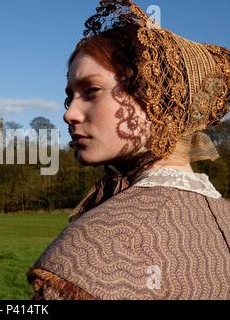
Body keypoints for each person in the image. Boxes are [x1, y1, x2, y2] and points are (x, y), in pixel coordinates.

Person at [27, 0, 230, 300]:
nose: (69, 113)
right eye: (70, 97)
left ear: (157, 100)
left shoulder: (97, 251)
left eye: (91, 91)